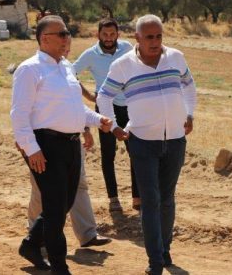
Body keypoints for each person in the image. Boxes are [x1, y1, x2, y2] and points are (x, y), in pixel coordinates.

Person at [97, 14, 197, 275]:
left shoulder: (176, 58)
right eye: (149, 37)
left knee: (167, 199)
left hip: (175, 140)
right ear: (137, 38)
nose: (155, 42)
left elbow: (189, 86)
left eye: (159, 36)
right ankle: (155, 262)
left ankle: (165, 251)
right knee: (150, 201)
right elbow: (104, 96)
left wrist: (189, 114)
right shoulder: (123, 65)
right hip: (141, 142)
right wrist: (113, 126)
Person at [11, 15, 112, 275]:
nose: (68, 38)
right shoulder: (29, 69)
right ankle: (59, 267)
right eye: (62, 34)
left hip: (71, 144)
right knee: (55, 210)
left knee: (64, 203)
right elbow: (19, 115)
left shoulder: (66, 67)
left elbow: (75, 108)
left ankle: (31, 245)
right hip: (45, 145)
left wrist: (97, 119)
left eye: (67, 33)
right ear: (45, 39)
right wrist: (32, 149)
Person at [73, 18, 138, 212]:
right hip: (105, 108)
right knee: (108, 154)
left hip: (129, 107)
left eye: (112, 34)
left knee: (135, 152)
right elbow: (70, 73)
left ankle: (137, 198)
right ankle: (113, 198)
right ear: (98, 35)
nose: (109, 38)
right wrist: (88, 95)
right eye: (105, 34)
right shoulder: (90, 55)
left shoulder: (127, 48)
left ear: (118, 34)